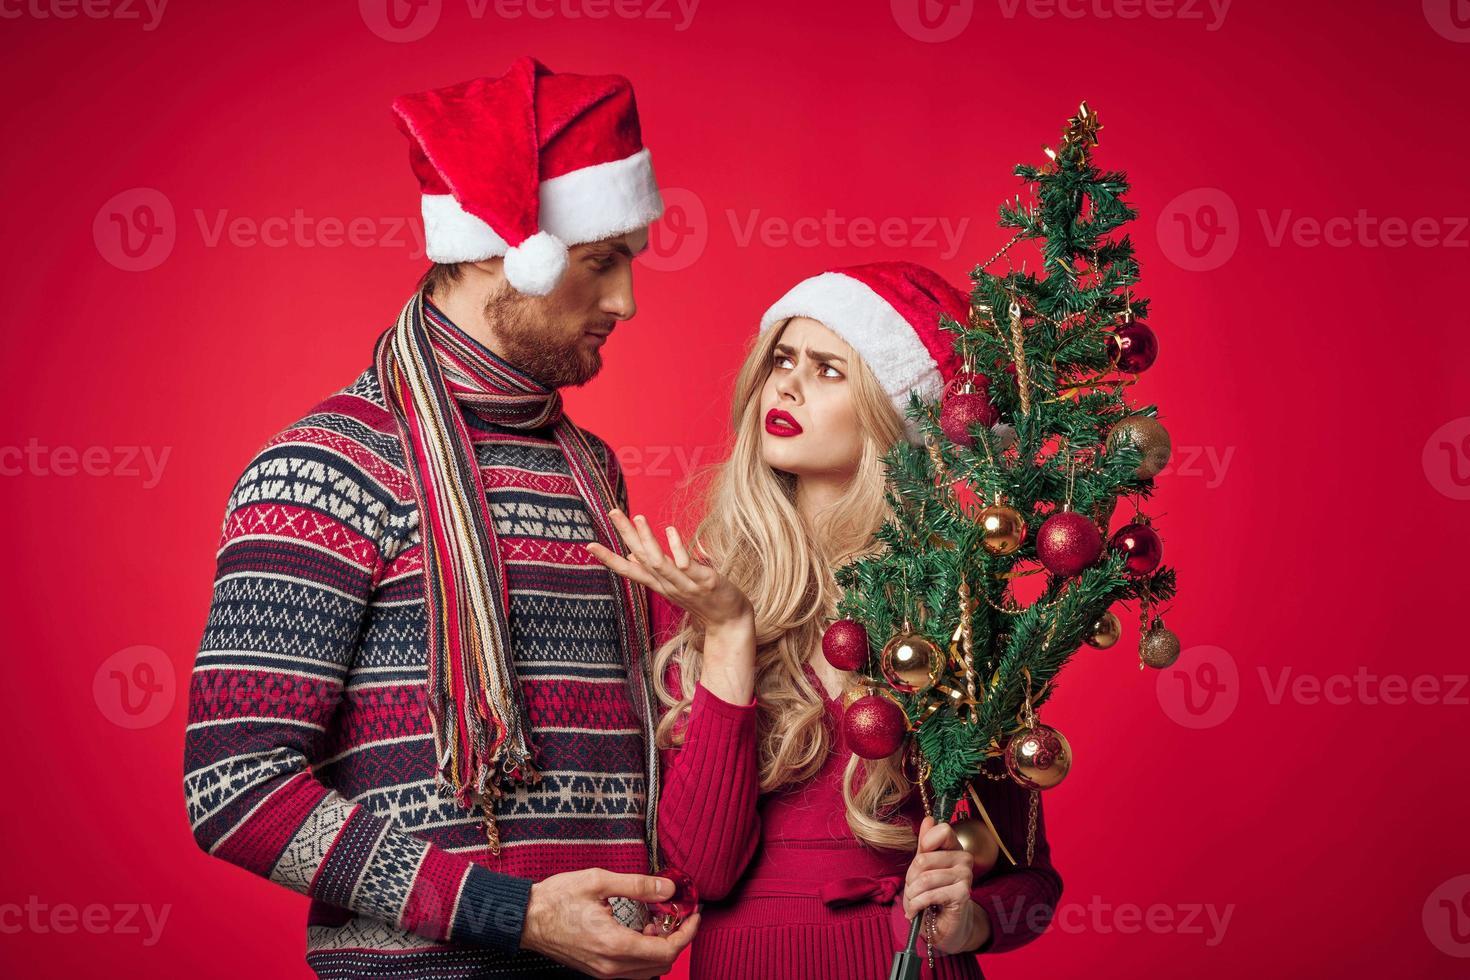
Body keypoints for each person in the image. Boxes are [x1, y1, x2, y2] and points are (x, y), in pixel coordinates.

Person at [183, 57, 699, 979]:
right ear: (514, 252)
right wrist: (513, 914)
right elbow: (234, 788)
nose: (625, 302)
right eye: (601, 261)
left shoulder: (587, 469)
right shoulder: (328, 466)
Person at [588, 262, 1064, 978]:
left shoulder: (951, 606)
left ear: (889, 408)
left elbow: (1033, 880)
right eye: (781, 359)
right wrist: (729, 634)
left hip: (901, 962)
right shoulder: (697, 594)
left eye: (828, 369)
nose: (786, 384)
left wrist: (970, 924)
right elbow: (704, 871)